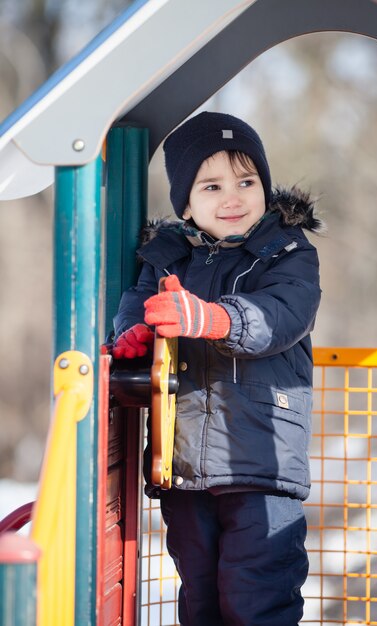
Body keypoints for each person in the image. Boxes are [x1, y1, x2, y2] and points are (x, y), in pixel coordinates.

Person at [113, 111, 323, 625]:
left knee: (256, 597)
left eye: (246, 181)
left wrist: (212, 318)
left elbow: (281, 316)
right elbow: (134, 309)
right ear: (186, 204)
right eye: (212, 186)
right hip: (184, 465)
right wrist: (134, 336)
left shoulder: (288, 254)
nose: (233, 197)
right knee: (202, 598)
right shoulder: (164, 260)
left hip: (261, 463)